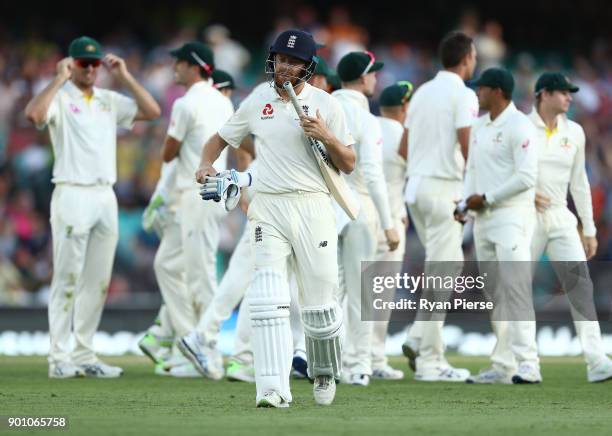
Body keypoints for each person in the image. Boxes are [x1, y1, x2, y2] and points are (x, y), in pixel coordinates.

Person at [191, 29, 355, 408]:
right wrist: (205, 164)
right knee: (268, 297)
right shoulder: (258, 99)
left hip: (314, 206)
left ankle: (324, 372)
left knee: (320, 300)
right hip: (268, 207)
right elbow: (220, 139)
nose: (284, 65)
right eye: (280, 57)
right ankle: (271, 387)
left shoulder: (327, 106)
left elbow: (348, 164)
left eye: (293, 61)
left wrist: (326, 136)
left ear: (308, 67)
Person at [24, 36, 160, 378]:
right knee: (67, 277)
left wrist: (125, 76)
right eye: (83, 64)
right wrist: (58, 79)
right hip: (71, 192)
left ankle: (84, 354)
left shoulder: (107, 99)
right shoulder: (60, 97)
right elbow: (34, 114)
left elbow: (152, 112)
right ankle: (59, 358)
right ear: (71, 65)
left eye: (94, 64)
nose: (90, 69)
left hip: (104, 194)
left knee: (97, 280)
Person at [150, 41, 234, 378]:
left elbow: (168, 153)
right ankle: (189, 341)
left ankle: (207, 351)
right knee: (167, 264)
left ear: (194, 66)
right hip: (210, 193)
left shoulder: (187, 103)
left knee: (200, 274)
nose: (175, 68)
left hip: (197, 193)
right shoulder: (222, 102)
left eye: (180, 62)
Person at [400, 31, 478, 382]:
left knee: (440, 269)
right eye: (473, 57)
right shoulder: (463, 94)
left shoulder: (421, 93)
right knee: (445, 272)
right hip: (445, 188)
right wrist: (473, 189)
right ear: (466, 59)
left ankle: (422, 339)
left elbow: (403, 148)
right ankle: (428, 358)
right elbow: (469, 146)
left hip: (415, 188)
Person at [529, 72, 612, 383]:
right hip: (525, 217)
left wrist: (588, 228)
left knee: (581, 286)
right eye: (563, 92)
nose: (570, 98)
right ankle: (521, 361)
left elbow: (580, 183)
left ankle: (597, 361)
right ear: (544, 94)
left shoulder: (574, 132)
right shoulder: (520, 127)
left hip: (561, 217)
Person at [459, 68, 540, 384]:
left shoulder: (520, 125)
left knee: (516, 289)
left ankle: (528, 363)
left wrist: (486, 198)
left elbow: (526, 178)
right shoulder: (479, 125)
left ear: (498, 91)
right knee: (494, 294)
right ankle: (504, 365)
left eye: (481, 88)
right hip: (483, 220)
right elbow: (472, 170)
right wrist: (465, 203)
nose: (476, 93)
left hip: (511, 217)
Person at [332, 50, 399, 386]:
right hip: (358, 211)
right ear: (362, 77)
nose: (376, 79)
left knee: (330, 292)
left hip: (326, 212)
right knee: (361, 293)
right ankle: (357, 364)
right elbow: (372, 175)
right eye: (373, 74)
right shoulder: (365, 119)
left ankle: (330, 361)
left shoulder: (322, 108)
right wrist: (389, 223)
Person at [371, 81, 413, 380]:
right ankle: (373, 357)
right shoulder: (403, 134)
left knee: (350, 292)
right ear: (405, 107)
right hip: (390, 222)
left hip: (358, 217)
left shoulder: (368, 127)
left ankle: (349, 355)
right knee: (379, 295)